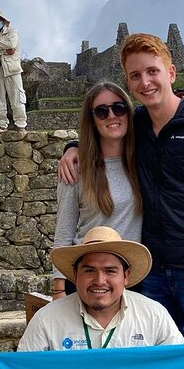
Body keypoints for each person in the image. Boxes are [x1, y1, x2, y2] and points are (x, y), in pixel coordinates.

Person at [58, 33, 184, 343]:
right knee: (157, 361)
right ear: (129, 83)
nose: (145, 82)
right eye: (136, 76)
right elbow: (104, 131)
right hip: (153, 274)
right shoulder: (138, 125)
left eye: (152, 71)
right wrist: (73, 147)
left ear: (171, 73)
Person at [0, 227, 184, 369]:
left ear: (126, 276)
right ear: (75, 276)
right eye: (89, 270)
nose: (99, 281)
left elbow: (180, 366)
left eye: (110, 271)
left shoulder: (153, 315)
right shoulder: (48, 319)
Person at [52, 81, 142, 299]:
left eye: (118, 108)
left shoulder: (143, 162)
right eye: (101, 111)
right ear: (92, 120)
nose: (112, 115)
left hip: (132, 279)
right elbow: (64, 231)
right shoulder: (76, 168)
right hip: (88, 280)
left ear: (128, 113)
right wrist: (58, 290)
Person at [0, 9, 27, 130]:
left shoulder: (13, 31)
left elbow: (11, 45)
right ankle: (1, 124)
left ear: (3, 20)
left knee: (17, 96)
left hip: (12, 68)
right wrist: (3, 50)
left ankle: (20, 124)